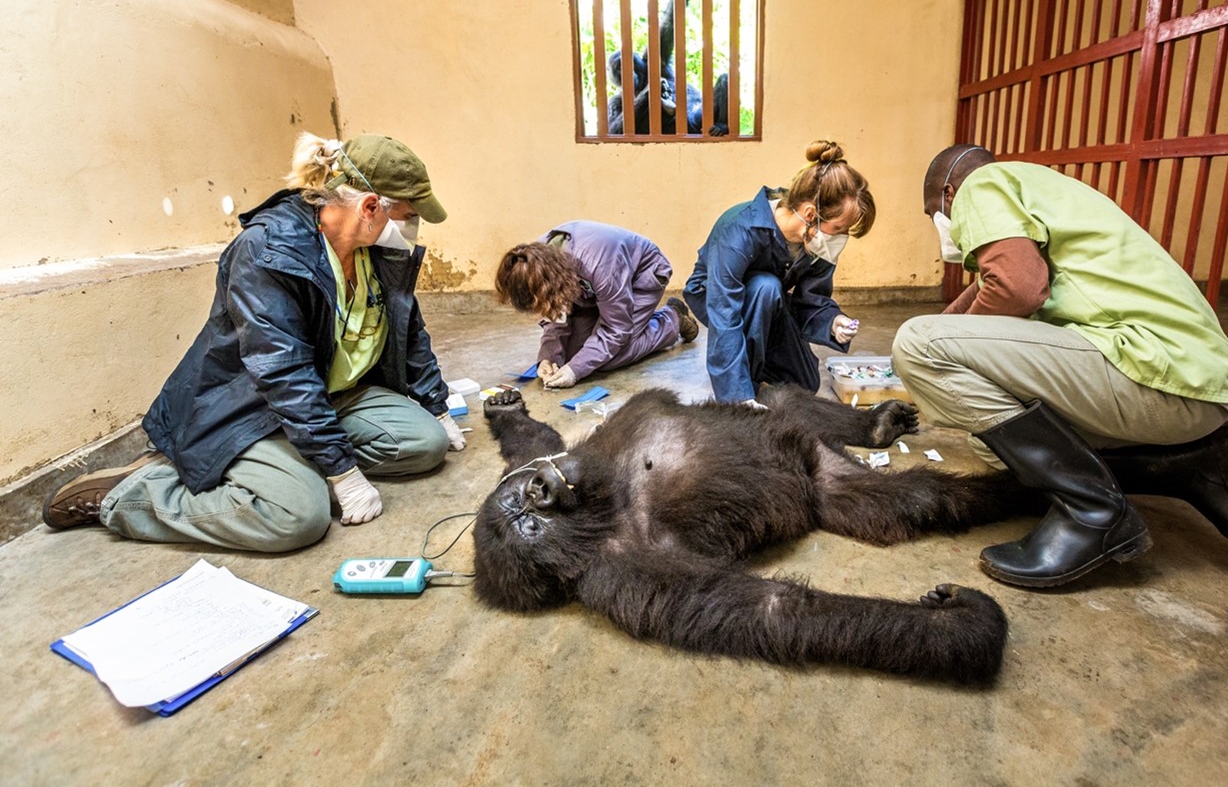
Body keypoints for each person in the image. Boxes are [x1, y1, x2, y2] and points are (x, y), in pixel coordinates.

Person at [41, 132, 468, 551]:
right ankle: (132, 493)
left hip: (332, 393)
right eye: (408, 215)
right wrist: (342, 473)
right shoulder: (267, 250)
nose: (410, 228)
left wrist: (437, 405)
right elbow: (284, 372)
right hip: (252, 409)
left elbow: (407, 326)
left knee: (424, 444)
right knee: (299, 518)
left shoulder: (372, 248)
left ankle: (292, 464)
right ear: (371, 206)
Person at [892, 144, 1228, 589]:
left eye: (934, 214)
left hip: (1151, 367)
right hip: (1191, 391)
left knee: (915, 342)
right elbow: (986, 297)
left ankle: (1094, 513)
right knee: (992, 446)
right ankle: (1186, 467)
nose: (942, 225)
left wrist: (923, 355)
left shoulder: (983, 185)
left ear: (948, 192)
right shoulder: (1047, 193)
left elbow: (1017, 290)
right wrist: (946, 335)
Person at [684, 139, 875, 405]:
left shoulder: (815, 241)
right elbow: (724, 314)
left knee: (804, 385)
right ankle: (742, 387)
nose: (842, 238)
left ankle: (755, 364)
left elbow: (812, 299)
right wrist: (737, 399)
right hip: (716, 296)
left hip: (768, 300)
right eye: (840, 229)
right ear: (811, 214)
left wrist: (833, 321)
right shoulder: (739, 230)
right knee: (766, 286)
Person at [494, 221, 698, 389]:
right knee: (574, 354)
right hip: (592, 291)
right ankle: (647, 323)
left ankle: (672, 320)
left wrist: (575, 370)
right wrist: (548, 357)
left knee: (611, 357)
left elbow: (616, 329)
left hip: (641, 275)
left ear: (550, 288)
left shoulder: (599, 266)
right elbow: (555, 314)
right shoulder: (532, 265)